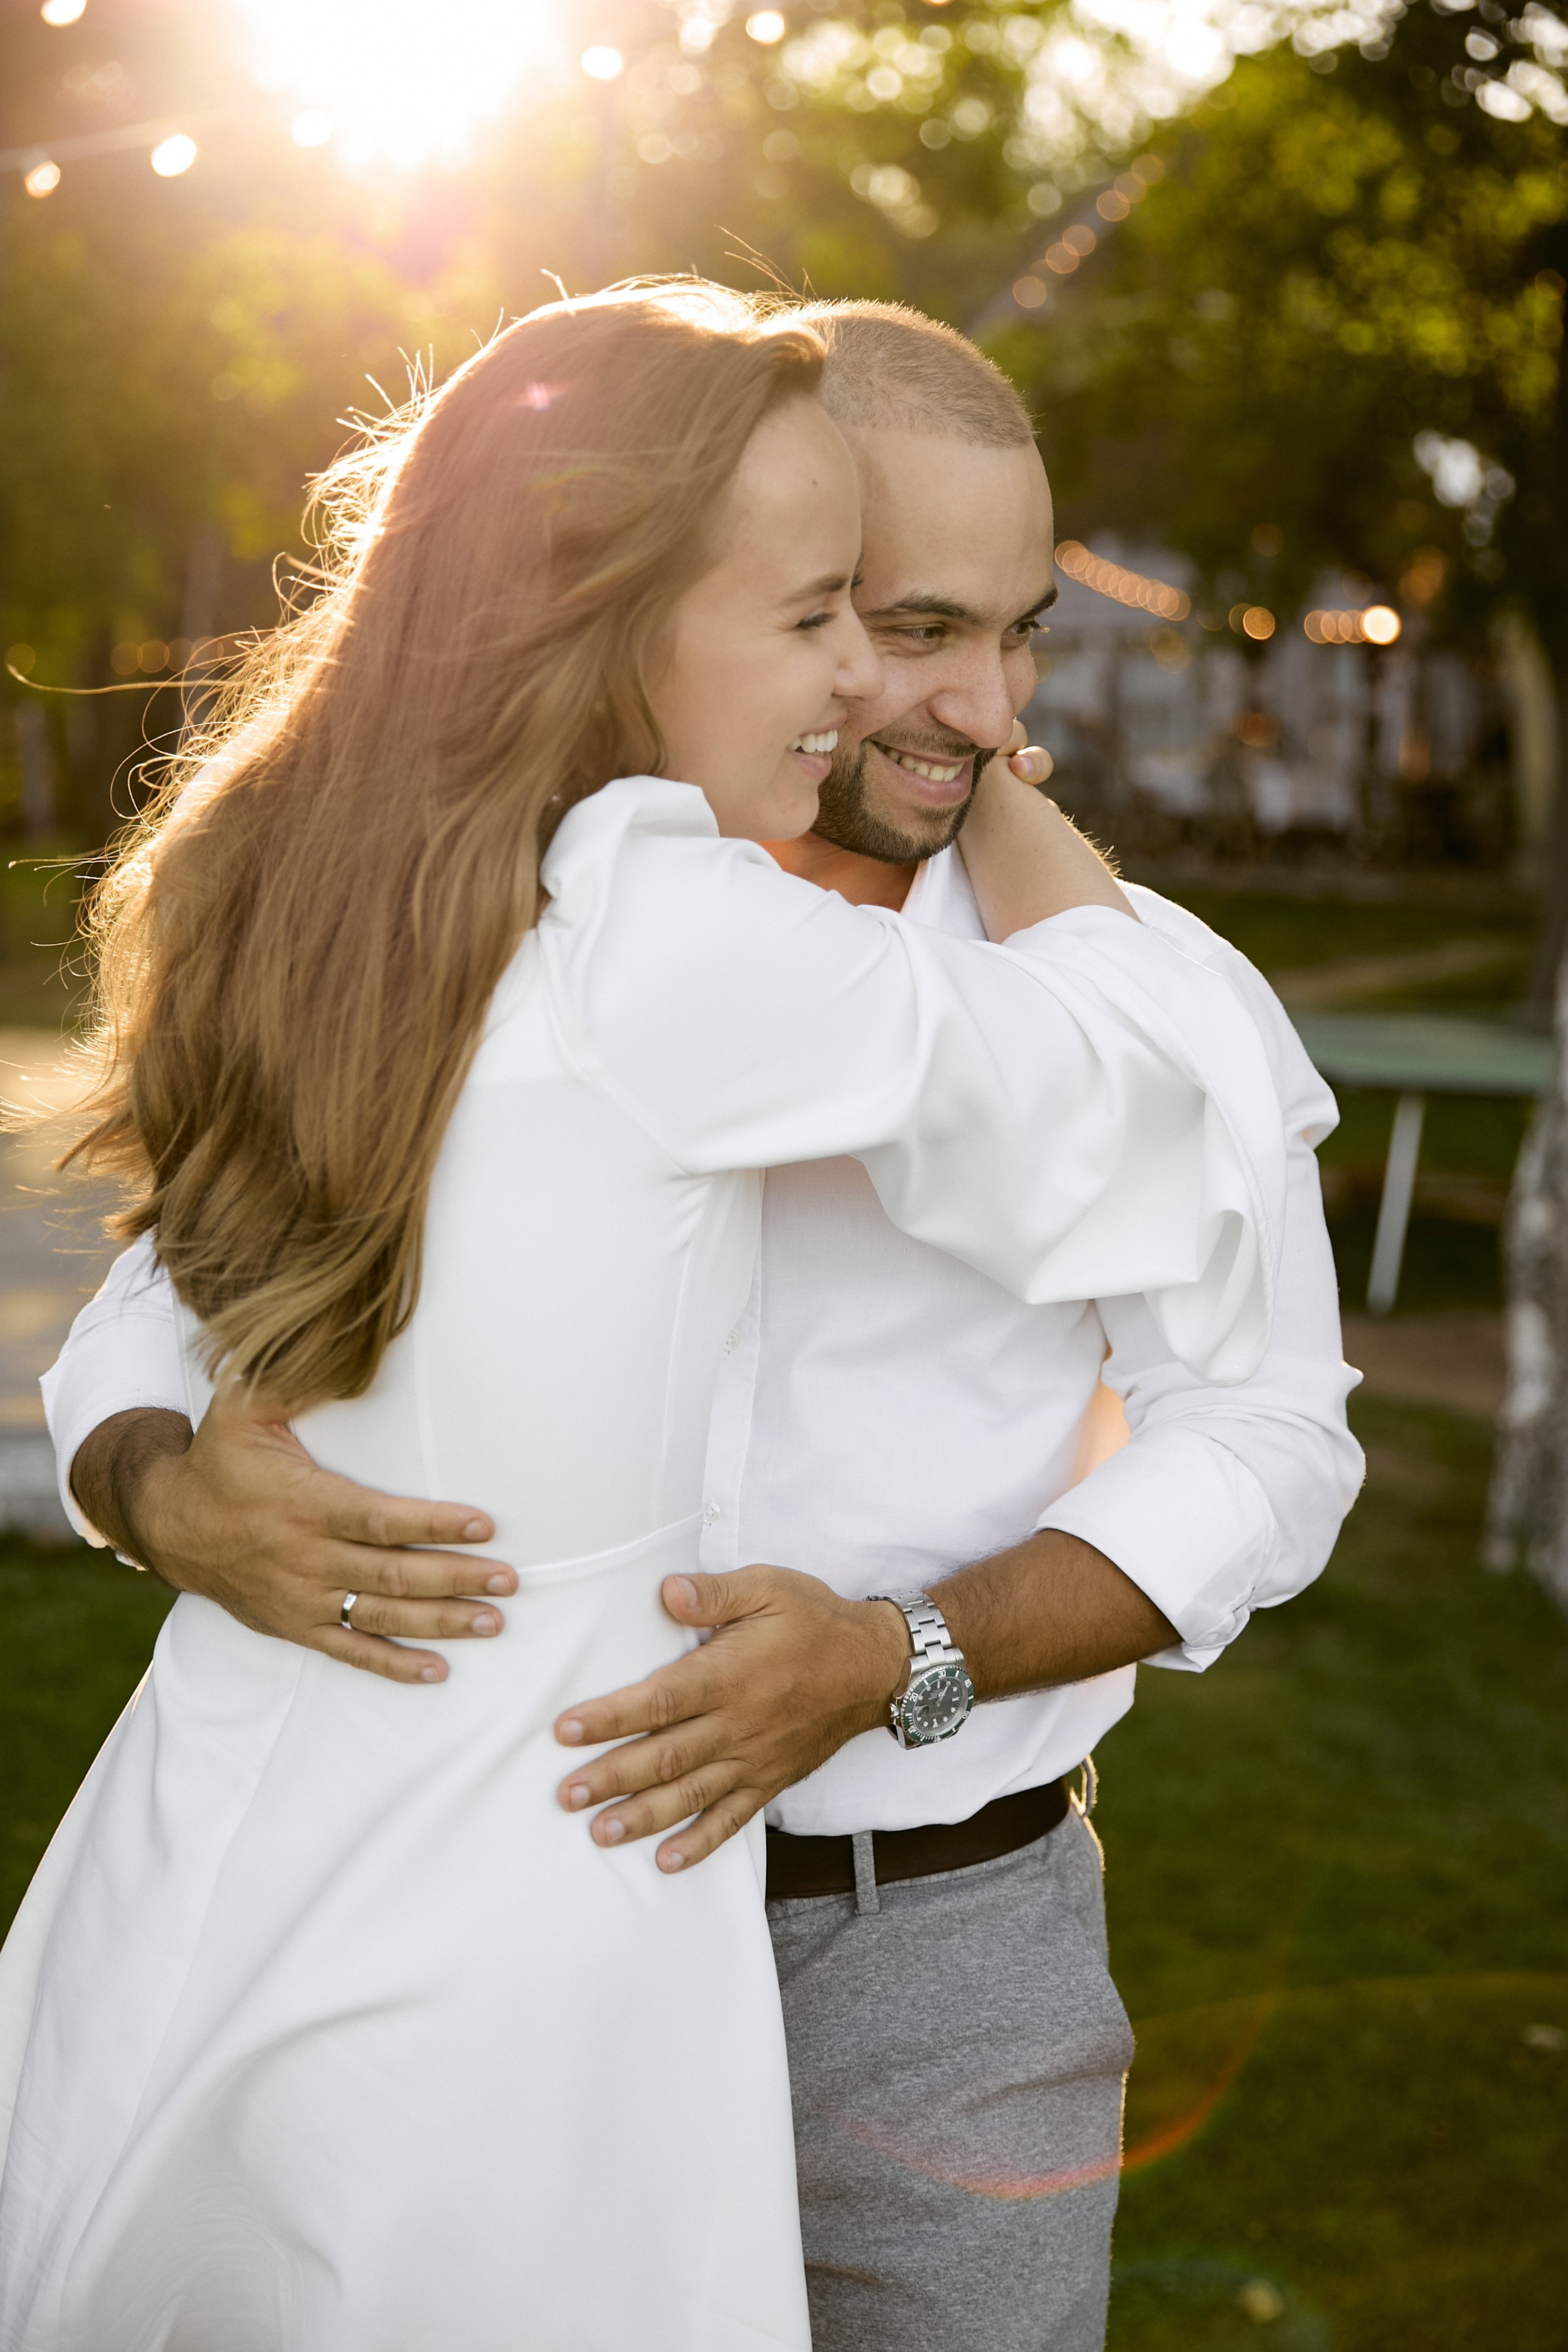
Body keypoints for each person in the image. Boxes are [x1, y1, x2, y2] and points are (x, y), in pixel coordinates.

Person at [0, 287, 1285, 2351]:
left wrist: (905, 1652)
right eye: (863, 616)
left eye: (1010, 634)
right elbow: (181, 1276)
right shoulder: (596, 905)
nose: (955, 702)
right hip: (522, 1918)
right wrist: (155, 1481)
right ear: (641, 600)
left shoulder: (337, 875)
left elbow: (1267, 1433)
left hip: (882, 1942)